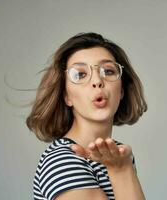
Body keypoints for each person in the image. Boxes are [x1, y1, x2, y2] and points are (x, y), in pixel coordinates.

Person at [27, 32, 147, 200]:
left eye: (108, 71)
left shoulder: (118, 156)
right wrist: (121, 171)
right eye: (80, 74)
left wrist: (123, 167)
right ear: (66, 96)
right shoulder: (62, 162)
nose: (97, 81)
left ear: (121, 90)